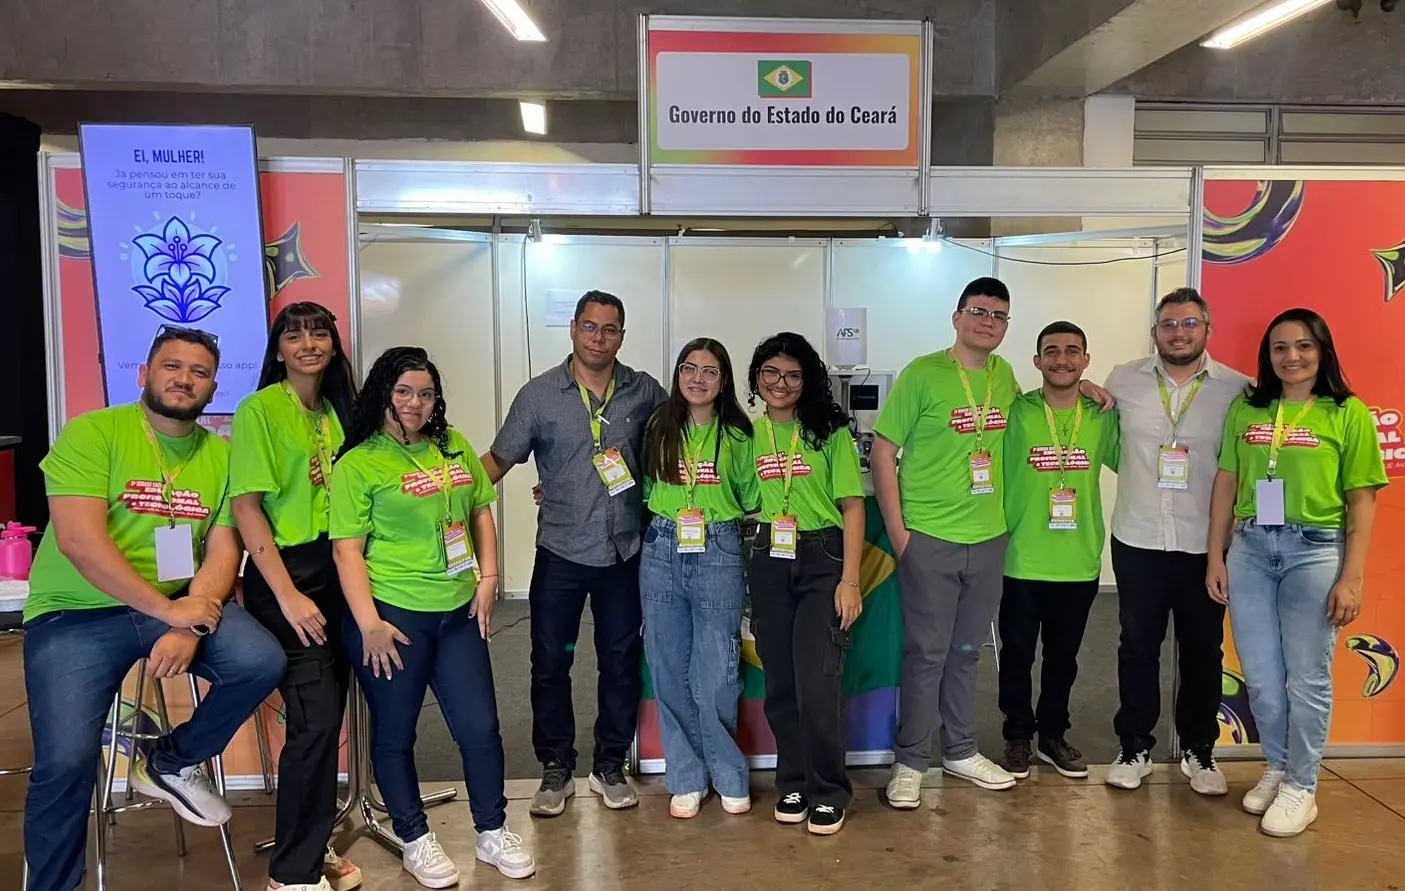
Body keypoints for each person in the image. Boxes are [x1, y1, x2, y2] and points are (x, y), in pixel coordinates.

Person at [22, 327, 285, 891]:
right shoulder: (95, 432)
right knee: (65, 763)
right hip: (77, 612)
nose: (184, 379)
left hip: (178, 605)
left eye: (198, 372)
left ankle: (167, 763)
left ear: (214, 386)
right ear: (144, 374)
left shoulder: (222, 455)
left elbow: (223, 548)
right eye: (172, 366)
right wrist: (171, 614)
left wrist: (192, 616)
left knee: (260, 660)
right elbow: (80, 543)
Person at [875, 278, 1113, 806]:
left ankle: (959, 750)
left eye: (998, 315)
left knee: (966, 653)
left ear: (1007, 327)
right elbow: (883, 449)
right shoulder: (923, 374)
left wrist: (1090, 385)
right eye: (978, 312)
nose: (987, 322)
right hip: (930, 536)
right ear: (957, 317)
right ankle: (911, 760)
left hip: (988, 540)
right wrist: (899, 533)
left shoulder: (1005, 377)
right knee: (925, 654)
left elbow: (1056, 393)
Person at [330, 347, 534, 885]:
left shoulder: (453, 445)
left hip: (458, 612)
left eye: (425, 393)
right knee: (396, 735)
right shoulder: (359, 463)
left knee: (480, 729)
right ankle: (416, 838)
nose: (415, 403)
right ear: (382, 395)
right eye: (403, 392)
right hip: (393, 616)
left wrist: (489, 579)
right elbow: (347, 550)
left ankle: (492, 833)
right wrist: (369, 623)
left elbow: (480, 511)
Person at [480, 290, 667, 816]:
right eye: (590, 327)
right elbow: (497, 461)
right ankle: (555, 767)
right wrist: (441, 493)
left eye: (610, 329)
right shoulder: (539, 396)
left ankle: (610, 765)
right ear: (573, 330)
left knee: (620, 662)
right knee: (549, 664)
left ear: (621, 336)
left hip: (624, 553)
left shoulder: (644, 391)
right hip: (560, 552)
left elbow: (679, 443)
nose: (599, 338)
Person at [1207, 308, 1386, 837]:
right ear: (1268, 356)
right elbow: (1225, 482)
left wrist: (1351, 577)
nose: (1292, 356)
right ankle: (1278, 768)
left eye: (1304, 346)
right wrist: (1215, 555)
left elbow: (1362, 500)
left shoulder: (1346, 412)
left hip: (1315, 550)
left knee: (1306, 677)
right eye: (1280, 347)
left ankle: (1303, 786)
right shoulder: (1249, 407)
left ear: (1322, 351)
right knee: (1261, 678)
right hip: (1250, 549)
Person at [230, 302, 360, 891]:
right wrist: (286, 597)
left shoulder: (338, 411)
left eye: (319, 332)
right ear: (278, 347)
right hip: (288, 578)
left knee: (327, 721)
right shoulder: (259, 409)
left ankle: (312, 844)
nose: (308, 342)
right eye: (294, 333)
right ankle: (291, 872)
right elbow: (247, 508)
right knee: (314, 721)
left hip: (341, 571)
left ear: (333, 343)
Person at [1102, 287, 1251, 795]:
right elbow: (1099, 427)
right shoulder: (1123, 380)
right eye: (1169, 324)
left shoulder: (1238, 389)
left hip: (1204, 544)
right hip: (1138, 536)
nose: (1179, 332)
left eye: (1190, 324)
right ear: (1154, 332)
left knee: (1203, 650)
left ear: (1207, 330)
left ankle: (1199, 750)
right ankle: (1135, 745)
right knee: (1136, 646)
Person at [745, 332, 865, 836]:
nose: (781, 383)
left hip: (823, 556)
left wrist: (850, 580)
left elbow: (853, 505)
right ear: (756, 378)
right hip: (768, 554)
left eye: (793, 375)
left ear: (807, 379)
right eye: (771, 373)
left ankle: (829, 788)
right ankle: (792, 780)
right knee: (781, 682)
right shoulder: (746, 435)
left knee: (819, 680)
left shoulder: (828, 432)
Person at [639, 337, 756, 820]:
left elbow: (750, 496)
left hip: (719, 549)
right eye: (689, 368)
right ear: (678, 374)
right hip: (662, 547)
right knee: (667, 666)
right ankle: (686, 777)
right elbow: (647, 486)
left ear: (723, 381)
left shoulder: (738, 436)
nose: (698, 378)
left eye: (710, 371)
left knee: (717, 671)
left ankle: (728, 774)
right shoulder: (658, 427)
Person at [997, 322, 1119, 781]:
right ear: (1037, 361)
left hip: (1079, 559)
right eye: (1052, 352)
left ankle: (1052, 735)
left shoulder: (1103, 414)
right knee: (1017, 655)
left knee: (1063, 657)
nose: (1062, 360)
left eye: (1073, 352)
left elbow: (1135, 460)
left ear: (1086, 360)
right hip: (1022, 558)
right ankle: (1017, 736)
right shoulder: (1016, 411)